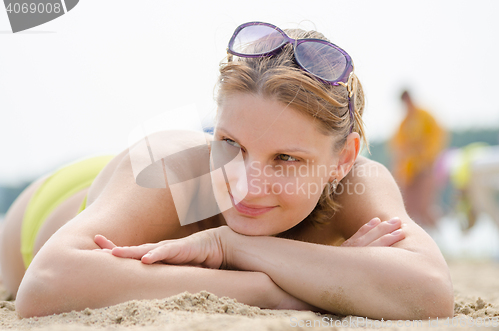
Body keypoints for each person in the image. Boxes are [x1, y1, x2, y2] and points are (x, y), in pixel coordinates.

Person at [0, 21, 454, 319]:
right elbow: (44, 286)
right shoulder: (184, 168)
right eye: (230, 145)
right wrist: (270, 290)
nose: (245, 184)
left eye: (286, 159)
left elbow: (430, 291)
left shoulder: (360, 181)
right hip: (55, 209)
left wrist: (231, 245)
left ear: (343, 159)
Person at [390, 90, 448, 228]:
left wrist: (427, 158)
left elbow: (437, 138)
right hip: (410, 172)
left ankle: (438, 237)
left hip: (426, 169)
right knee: (409, 208)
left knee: (425, 207)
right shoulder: (404, 123)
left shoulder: (426, 116)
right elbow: (398, 149)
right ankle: (424, 238)